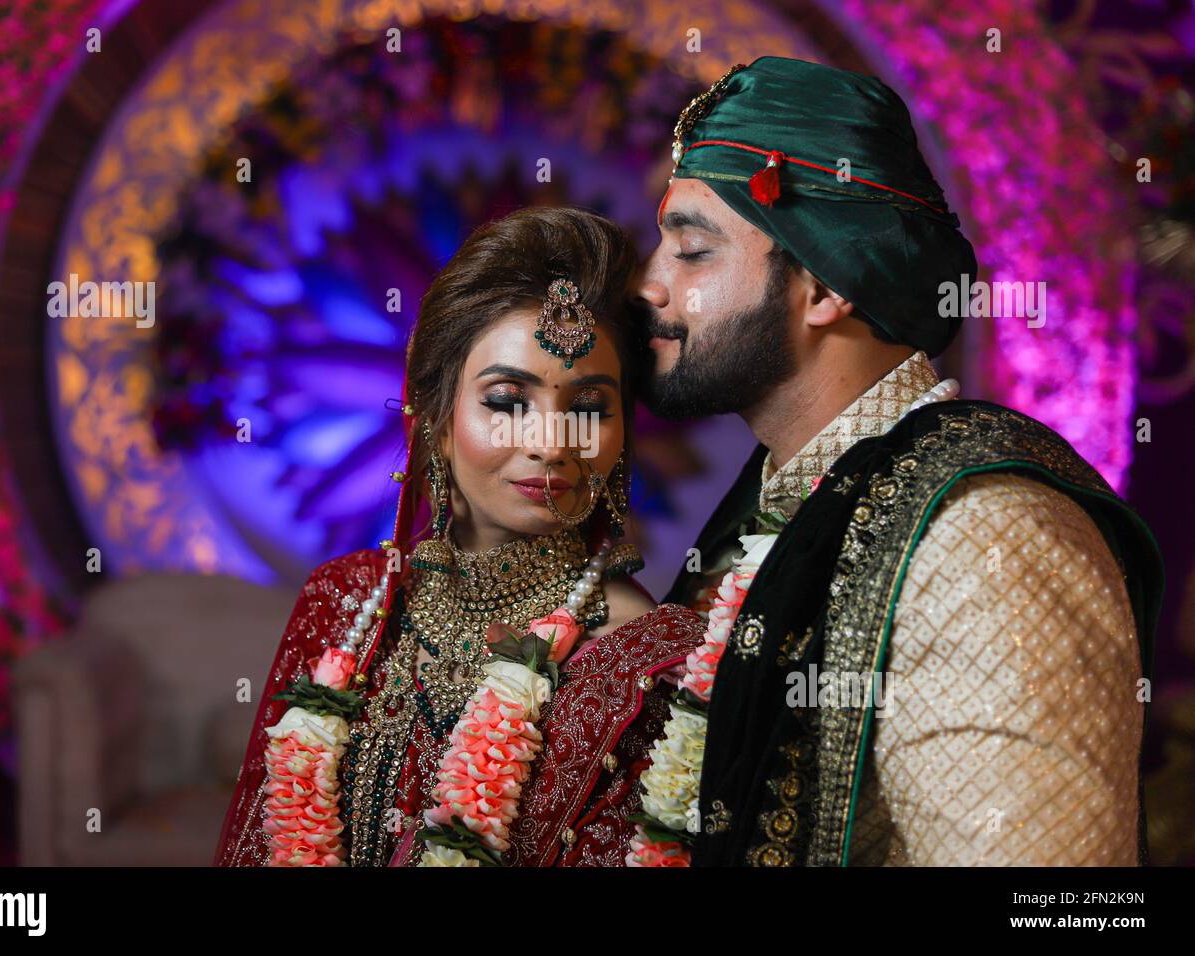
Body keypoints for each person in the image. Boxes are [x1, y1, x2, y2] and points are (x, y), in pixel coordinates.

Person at [629, 56, 1164, 866]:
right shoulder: (779, 508)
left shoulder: (986, 538)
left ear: (823, 287)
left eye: (692, 251)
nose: (651, 286)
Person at [214, 206, 703, 867]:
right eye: (506, 401)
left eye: (588, 408)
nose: (550, 444)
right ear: (437, 421)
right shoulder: (346, 603)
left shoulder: (639, 659)